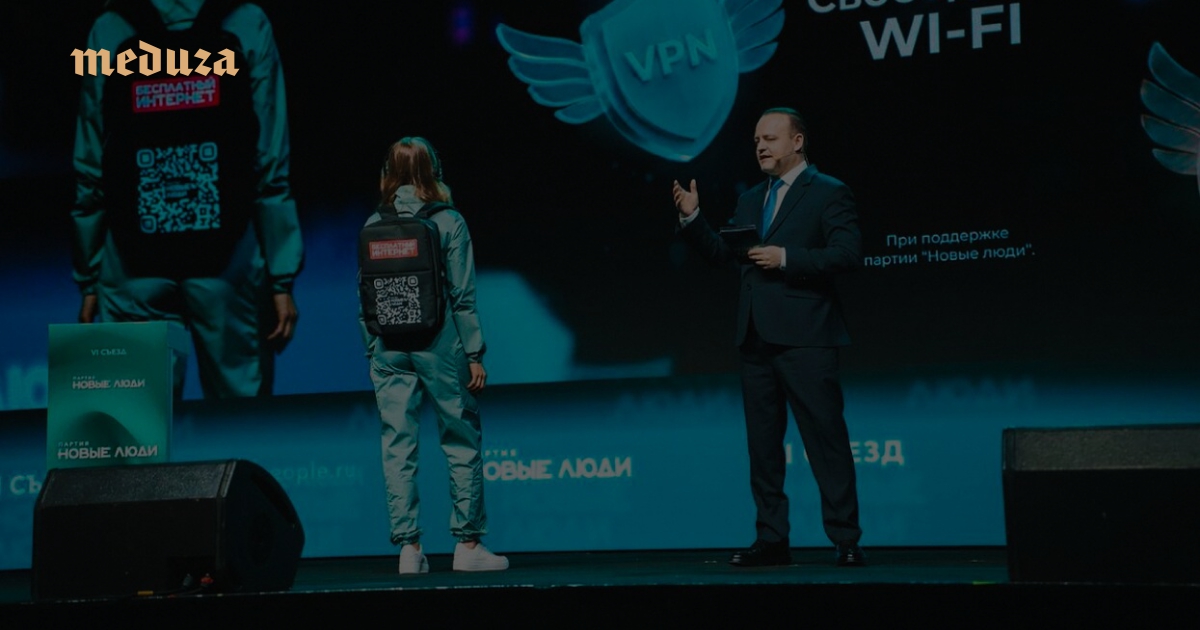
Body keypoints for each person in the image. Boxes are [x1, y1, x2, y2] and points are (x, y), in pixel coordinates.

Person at [71, 0, 303, 398]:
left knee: (133, 424)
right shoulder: (247, 23)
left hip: (130, 268)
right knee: (239, 421)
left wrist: (89, 277)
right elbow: (269, 158)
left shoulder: (107, 30)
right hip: (228, 262)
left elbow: (90, 161)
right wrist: (281, 278)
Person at [673, 107, 866, 567]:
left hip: (807, 338)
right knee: (762, 448)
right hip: (755, 340)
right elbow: (726, 256)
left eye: (770, 138)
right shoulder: (750, 199)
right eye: (757, 140)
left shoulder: (829, 191)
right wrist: (693, 219)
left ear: (797, 142)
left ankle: (846, 539)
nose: (760, 146)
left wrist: (786, 258)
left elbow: (847, 253)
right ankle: (772, 539)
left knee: (825, 442)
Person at [361, 137, 507, 574]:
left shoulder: (373, 222)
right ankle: (468, 545)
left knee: (397, 447)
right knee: (460, 441)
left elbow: (363, 295)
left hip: (388, 348)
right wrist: (475, 353)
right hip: (441, 347)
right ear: (434, 170)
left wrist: (373, 349)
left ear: (388, 173)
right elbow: (463, 296)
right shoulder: (449, 222)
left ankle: (408, 550)